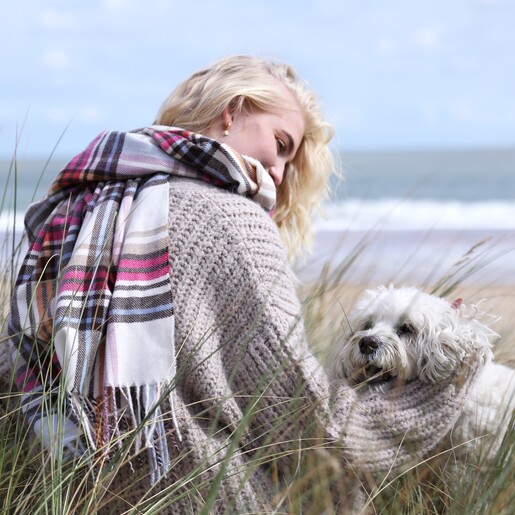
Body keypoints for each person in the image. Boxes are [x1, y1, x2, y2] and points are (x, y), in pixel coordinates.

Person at [4, 55, 483, 513]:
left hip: (68, 488)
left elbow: (17, 364)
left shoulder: (79, 210)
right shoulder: (233, 219)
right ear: (232, 112)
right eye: (281, 145)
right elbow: (309, 426)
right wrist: (446, 381)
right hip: (205, 498)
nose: (278, 172)